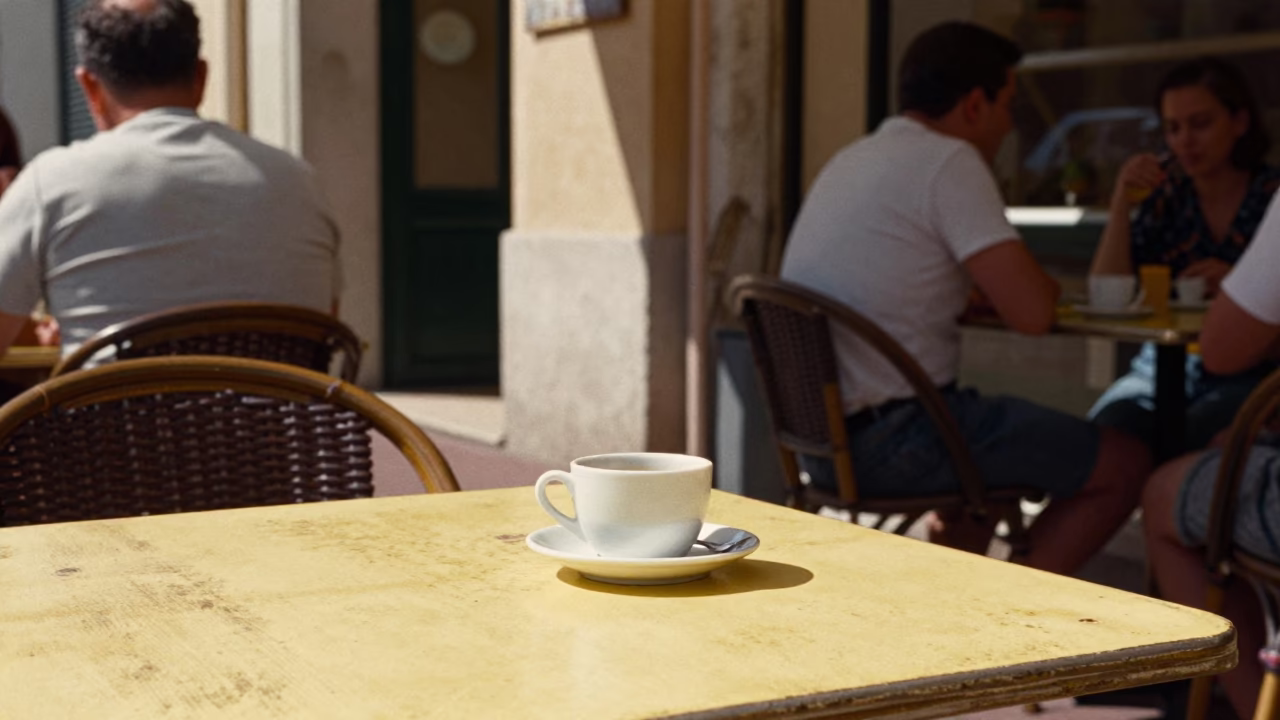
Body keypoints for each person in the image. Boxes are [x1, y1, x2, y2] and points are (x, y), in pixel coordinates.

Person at [779, 21, 1151, 576]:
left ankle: (950, 619)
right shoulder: (951, 160)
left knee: (980, 479)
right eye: (1007, 105)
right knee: (1126, 463)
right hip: (898, 440)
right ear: (975, 104)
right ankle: (1012, 616)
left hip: (819, 444)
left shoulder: (853, 157)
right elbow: (1033, 313)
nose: (1008, 126)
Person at [0, 0, 340, 358]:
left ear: (90, 87)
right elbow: (324, 328)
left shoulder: (51, 183)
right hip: (280, 415)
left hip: (115, 414)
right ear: (201, 78)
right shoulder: (300, 183)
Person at [1089, 57, 1280, 452]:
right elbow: (1108, 292)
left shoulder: (1270, 197)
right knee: (1107, 437)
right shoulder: (1168, 199)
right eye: (1173, 128)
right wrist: (1122, 202)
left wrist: (1240, 285)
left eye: (1201, 124)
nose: (1185, 141)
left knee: (1196, 440)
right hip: (1160, 363)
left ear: (1239, 122)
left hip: (1254, 371)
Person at [1142, 191, 1280, 720]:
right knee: (1128, 430)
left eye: (1199, 122)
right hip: (1186, 381)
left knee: (1159, 492)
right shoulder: (1159, 201)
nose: (1184, 141)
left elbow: (1221, 347)